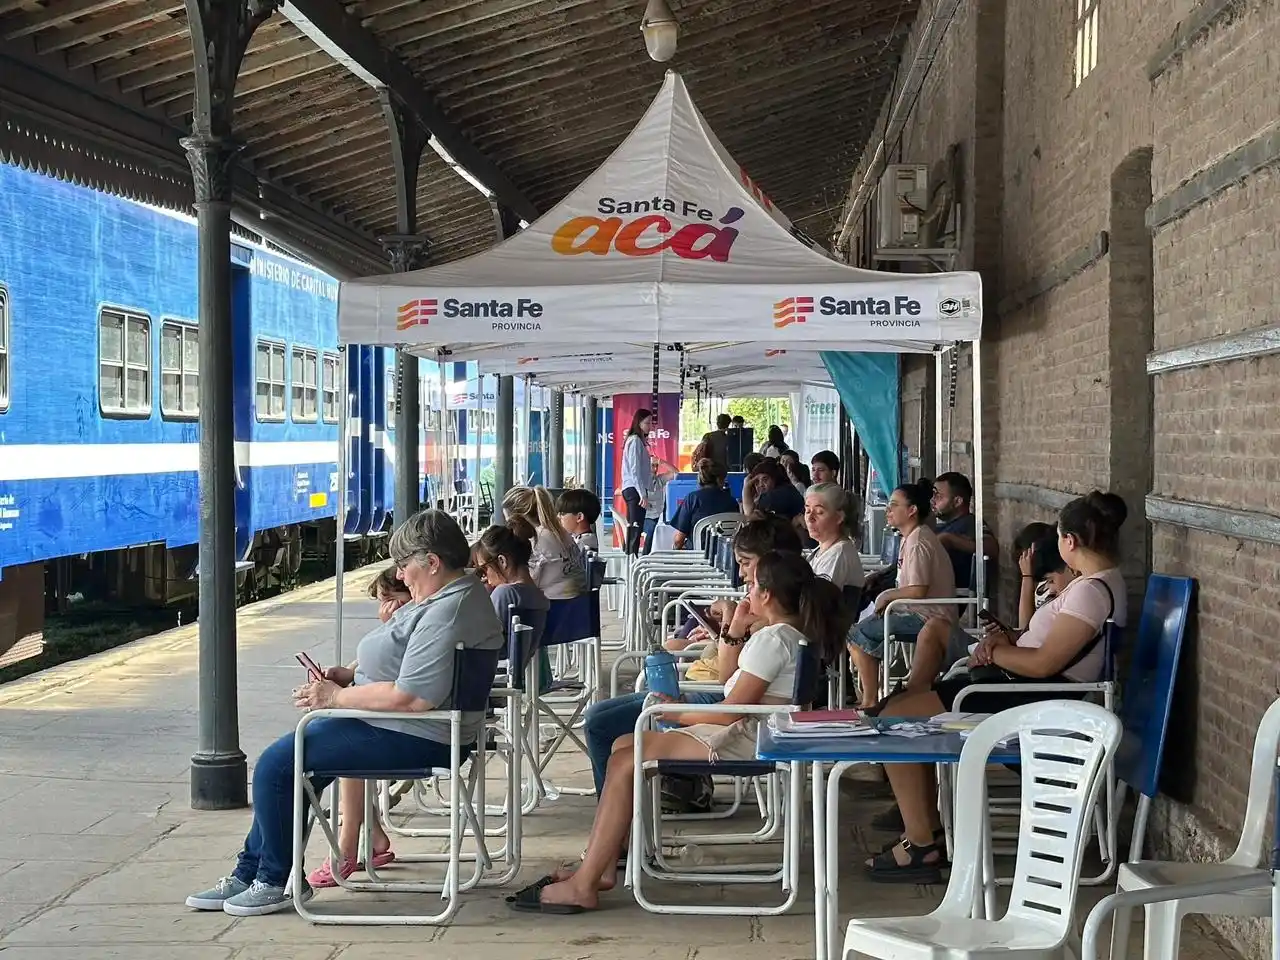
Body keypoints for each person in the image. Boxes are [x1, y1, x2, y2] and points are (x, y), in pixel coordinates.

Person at [185, 510, 504, 916]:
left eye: (405, 566)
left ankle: (273, 879)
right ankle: (255, 871)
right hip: (406, 726)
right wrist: (351, 675)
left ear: (433, 562)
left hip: (418, 733)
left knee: (277, 766)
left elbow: (413, 697)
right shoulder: (449, 597)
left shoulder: (449, 609)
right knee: (294, 766)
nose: (402, 576)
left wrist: (335, 697)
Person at [510, 549, 852, 914]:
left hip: (747, 739)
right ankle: (601, 864)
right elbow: (734, 691)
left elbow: (730, 713)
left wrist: (674, 714)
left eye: (751, 584)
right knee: (625, 745)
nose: (746, 590)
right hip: (757, 730)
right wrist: (733, 632)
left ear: (766, 594)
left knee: (627, 758)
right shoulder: (783, 635)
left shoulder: (773, 639)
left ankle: (587, 881)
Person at [862, 492, 1128, 884]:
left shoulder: (1090, 591)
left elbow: (1044, 664)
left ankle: (922, 840)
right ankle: (925, 829)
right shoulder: (1096, 584)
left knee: (895, 718)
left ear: (1069, 541)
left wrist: (998, 651)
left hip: (1031, 698)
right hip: (1026, 689)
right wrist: (1006, 643)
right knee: (902, 707)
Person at [580, 517, 803, 798]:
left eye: (746, 563)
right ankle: (629, 809)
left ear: (771, 566)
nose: (742, 573)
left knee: (602, 725)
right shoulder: (776, 622)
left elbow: (729, 688)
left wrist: (731, 626)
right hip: (716, 695)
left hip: (716, 700)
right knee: (606, 723)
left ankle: (631, 804)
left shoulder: (771, 629)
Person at [303, 566, 412, 889]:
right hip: (413, 721)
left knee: (350, 739)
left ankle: (347, 845)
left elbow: (391, 672)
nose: (384, 609)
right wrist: (348, 674)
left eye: (391, 600)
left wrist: (391, 626)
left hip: (413, 728)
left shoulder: (410, 627)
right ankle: (374, 835)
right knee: (351, 727)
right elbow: (377, 667)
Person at [847, 479, 960, 706]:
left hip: (927, 617)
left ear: (912, 510)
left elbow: (918, 590)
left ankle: (870, 700)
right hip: (914, 611)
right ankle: (873, 695)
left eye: (894, 505)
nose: (888, 510)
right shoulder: (912, 537)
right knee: (861, 630)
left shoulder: (919, 541)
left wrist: (887, 596)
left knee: (856, 636)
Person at [472, 524, 550, 655]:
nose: (484, 576)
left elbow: (480, 636)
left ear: (502, 561)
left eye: (484, 568)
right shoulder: (539, 596)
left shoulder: (505, 593)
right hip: (515, 665)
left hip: (491, 666)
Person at [503, 485, 586, 600]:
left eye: (509, 522)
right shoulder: (558, 531)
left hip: (554, 607)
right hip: (578, 603)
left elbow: (526, 582)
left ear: (517, 519)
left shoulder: (536, 540)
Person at [931, 472, 998, 592]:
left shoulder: (970, 523)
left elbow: (991, 547)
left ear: (957, 501)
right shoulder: (944, 525)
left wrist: (949, 539)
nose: (933, 501)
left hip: (944, 597)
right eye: (933, 495)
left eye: (938, 496)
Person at [804, 483, 865, 590]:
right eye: (807, 511)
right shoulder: (824, 548)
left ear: (839, 517)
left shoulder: (838, 555)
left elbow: (820, 602)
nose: (810, 518)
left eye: (819, 512)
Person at [671, 458, 739, 550]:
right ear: (720, 480)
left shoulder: (692, 499)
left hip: (696, 557)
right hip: (724, 556)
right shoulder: (732, 501)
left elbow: (678, 541)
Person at [619, 409, 654, 556]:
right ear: (638, 423)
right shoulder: (635, 441)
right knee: (635, 528)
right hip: (634, 489)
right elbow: (635, 470)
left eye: (650, 423)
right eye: (646, 423)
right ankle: (631, 558)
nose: (649, 426)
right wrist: (642, 494)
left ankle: (631, 557)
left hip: (635, 488)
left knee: (635, 528)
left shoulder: (637, 441)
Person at [741, 459, 805, 523]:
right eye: (756, 482)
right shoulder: (786, 489)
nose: (760, 485)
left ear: (775, 479)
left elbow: (750, 517)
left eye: (765, 479)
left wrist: (746, 488)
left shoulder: (777, 495)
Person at [556, 488, 602, 552]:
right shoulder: (580, 539)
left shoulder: (585, 545)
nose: (558, 517)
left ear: (579, 517)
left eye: (562, 513)